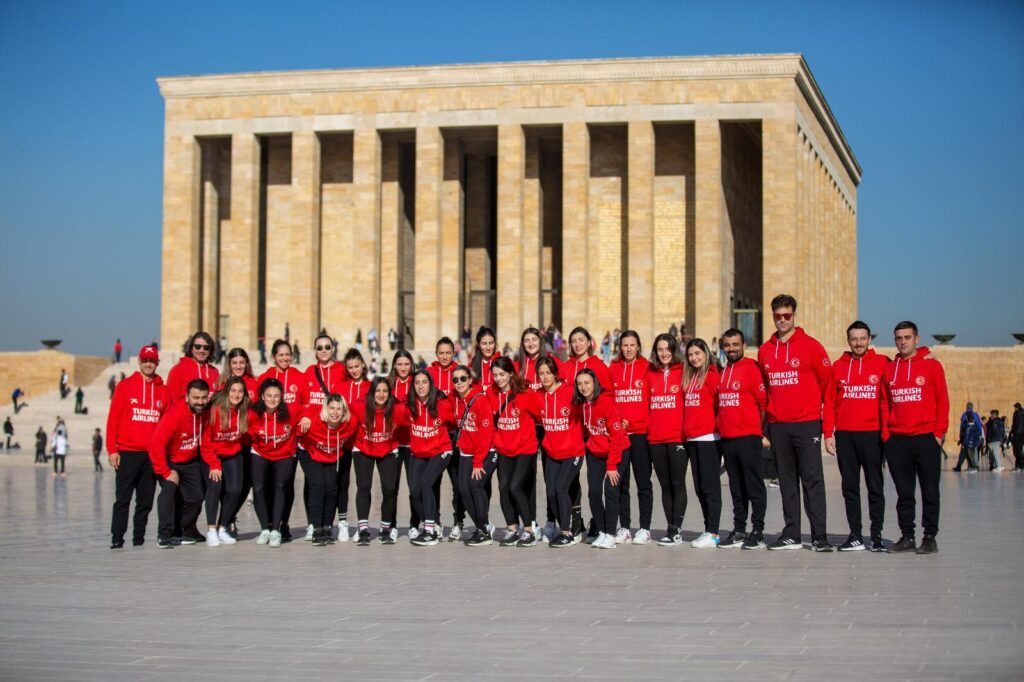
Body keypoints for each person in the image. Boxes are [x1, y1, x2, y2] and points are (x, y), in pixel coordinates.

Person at [758, 294, 835, 552]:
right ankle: (791, 533)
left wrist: (825, 426)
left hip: (806, 424)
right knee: (786, 481)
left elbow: (827, 385)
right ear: (773, 317)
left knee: (812, 479)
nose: (782, 320)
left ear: (794, 315)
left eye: (787, 315)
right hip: (778, 425)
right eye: (778, 316)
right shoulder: (765, 351)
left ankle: (819, 537)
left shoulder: (811, 346)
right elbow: (765, 389)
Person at [882, 321, 948, 555]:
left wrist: (938, 434)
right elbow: (884, 403)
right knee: (904, 493)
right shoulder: (890, 369)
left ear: (916, 339)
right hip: (898, 440)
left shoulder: (932, 366)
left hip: (926, 438)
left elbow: (942, 400)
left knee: (930, 491)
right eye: (899, 338)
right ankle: (907, 536)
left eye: (907, 337)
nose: (903, 342)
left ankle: (929, 537)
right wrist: (887, 435)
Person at [824, 321, 889, 552]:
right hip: (845, 435)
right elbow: (829, 401)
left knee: (875, 487)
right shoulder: (838, 366)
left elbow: (903, 367)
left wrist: (926, 354)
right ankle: (855, 535)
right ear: (848, 340)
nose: (858, 343)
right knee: (850, 487)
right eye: (854, 339)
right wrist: (828, 433)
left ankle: (876, 536)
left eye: (862, 338)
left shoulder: (883, 363)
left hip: (872, 435)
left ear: (869, 339)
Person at [715, 329, 769, 550]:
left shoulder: (751, 369)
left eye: (735, 344)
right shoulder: (723, 371)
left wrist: (757, 430)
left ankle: (758, 530)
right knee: (736, 487)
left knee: (753, 485)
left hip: (748, 437)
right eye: (727, 345)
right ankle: (739, 529)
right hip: (728, 438)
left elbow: (763, 404)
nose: (731, 349)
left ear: (744, 345)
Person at [256, 340, 309, 540]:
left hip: (289, 441)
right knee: (266, 483)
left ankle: (283, 523)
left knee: (284, 483)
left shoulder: (299, 377)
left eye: (288, 354)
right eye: (281, 355)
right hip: (267, 441)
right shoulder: (265, 377)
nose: (285, 358)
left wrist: (306, 417)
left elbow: (307, 403)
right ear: (273, 357)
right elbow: (256, 406)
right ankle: (269, 523)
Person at [149, 379, 209, 548]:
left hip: (189, 460)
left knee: (197, 497)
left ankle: (178, 531)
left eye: (203, 398)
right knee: (169, 490)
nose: (200, 402)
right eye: (196, 398)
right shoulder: (174, 416)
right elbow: (156, 444)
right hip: (169, 460)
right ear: (187, 398)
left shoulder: (205, 412)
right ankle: (164, 535)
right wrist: (166, 471)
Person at [490, 356, 542, 547]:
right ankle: (512, 529)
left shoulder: (525, 394)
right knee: (503, 488)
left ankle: (528, 531)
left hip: (525, 449)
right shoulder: (492, 395)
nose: (498, 378)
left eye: (502, 374)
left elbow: (540, 414)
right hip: (504, 448)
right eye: (495, 375)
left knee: (515, 486)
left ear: (511, 373)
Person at [576, 368, 630, 549]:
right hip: (595, 453)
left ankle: (611, 533)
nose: (583, 387)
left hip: (617, 451)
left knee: (610, 490)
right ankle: (601, 530)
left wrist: (612, 465)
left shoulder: (607, 403)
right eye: (580, 384)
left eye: (587, 383)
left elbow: (616, 436)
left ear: (595, 383)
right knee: (593, 492)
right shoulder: (582, 404)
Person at [350, 377, 407, 545]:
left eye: (385, 391)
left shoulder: (398, 409)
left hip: (388, 450)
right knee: (364, 486)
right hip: (363, 448)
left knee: (389, 489)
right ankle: (363, 529)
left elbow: (416, 418)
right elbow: (340, 414)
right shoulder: (358, 407)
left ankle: (385, 529)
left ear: (390, 394)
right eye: (378, 391)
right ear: (371, 393)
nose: (381, 394)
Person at [247, 378, 303, 548]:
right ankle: (265, 528)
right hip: (260, 451)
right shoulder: (253, 413)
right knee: (258, 487)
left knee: (280, 485)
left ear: (281, 397)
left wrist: (307, 418)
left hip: (285, 453)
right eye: (269, 395)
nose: (272, 399)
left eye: (276, 396)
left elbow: (309, 411)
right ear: (262, 397)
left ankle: (276, 530)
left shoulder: (291, 410)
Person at [535, 356, 584, 547]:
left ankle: (566, 533)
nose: (545, 377)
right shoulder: (538, 395)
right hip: (552, 452)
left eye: (548, 372)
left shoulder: (570, 391)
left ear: (555, 373)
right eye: (541, 373)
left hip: (573, 452)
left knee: (562, 488)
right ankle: (566, 526)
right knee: (551, 492)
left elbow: (590, 403)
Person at [610, 330, 652, 545]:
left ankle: (645, 528)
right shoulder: (614, 368)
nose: (628, 349)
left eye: (632, 345)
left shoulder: (647, 367)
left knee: (643, 482)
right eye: (625, 345)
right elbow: (610, 399)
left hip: (641, 435)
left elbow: (652, 399)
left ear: (638, 346)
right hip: (621, 436)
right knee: (622, 484)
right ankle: (625, 526)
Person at [298, 393, 357, 546]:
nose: (335, 412)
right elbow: (298, 427)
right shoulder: (314, 421)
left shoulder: (350, 423)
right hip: (310, 453)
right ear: (326, 408)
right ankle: (316, 528)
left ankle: (327, 527)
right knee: (318, 485)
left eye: (339, 409)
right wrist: (306, 416)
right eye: (332, 408)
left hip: (332, 455)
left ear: (344, 411)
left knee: (331, 489)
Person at [406, 370, 457, 546]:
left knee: (426, 482)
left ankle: (429, 532)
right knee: (414, 491)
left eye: (424, 382)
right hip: (419, 452)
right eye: (417, 383)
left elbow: (455, 422)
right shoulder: (408, 406)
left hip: (441, 450)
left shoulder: (442, 404)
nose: (420, 386)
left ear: (431, 384)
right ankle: (433, 524)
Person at [646, 333, 687, 546]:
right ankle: (670, 526)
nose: (664, 353)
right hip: (655, 438)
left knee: (677, 483)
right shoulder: (650, 373)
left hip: (677, 437)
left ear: (674, 350)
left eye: (668, 349)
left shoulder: (683, 371)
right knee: (664, 484)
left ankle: (676, 529)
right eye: (660, 349)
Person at [199, 376, 250, 547]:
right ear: (227, 391)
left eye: (240, 391)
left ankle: (222, 527)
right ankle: (211, 530)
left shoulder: (244, 411)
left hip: (233, 452)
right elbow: (205, 441)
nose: (236, 394)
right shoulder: (215, 410)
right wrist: (214, 464)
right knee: (215, 487)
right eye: (233, 390)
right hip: (213, 454)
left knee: (235, 490)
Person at [451, 364, 498, 547]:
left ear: (470, 380)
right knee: (463, 489)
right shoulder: (455, 399)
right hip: (466, 452)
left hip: (486, 451)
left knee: (475, 485)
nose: (459, 382)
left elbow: (485, 434)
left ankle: (483, 530)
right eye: (455, 379)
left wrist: (478, 461)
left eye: (463, 378)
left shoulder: (480, 400)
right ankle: (482, 526)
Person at [682, 338, 722, 548]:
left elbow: (720, 406)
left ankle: (713, 532)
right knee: (699, 488)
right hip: (693, 439)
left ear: (706, 354)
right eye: (690, 354)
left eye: (697, 353)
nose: (694, 358)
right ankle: (708, 528)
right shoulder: (691, 377)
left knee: (710, 487)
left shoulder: (712, 376)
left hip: (709, 439)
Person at [427, 337, 466, 539]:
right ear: (436, 354)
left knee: (458, 483)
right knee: (433, 481)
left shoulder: (459, 373)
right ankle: (435, 521)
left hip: (455, 435)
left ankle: (458, 521)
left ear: (453, 353)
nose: (444, 356)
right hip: (434, 436)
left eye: (448, 353)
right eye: (441, 353)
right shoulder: (429, 373)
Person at [166, 331, 220, 405]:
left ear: (210, 350)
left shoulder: (214, 372)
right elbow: (170, 400)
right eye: (197, 347)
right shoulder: (178, 370)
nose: (202, 350)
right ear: (191, 349)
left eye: (206, 348)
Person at [470, 326, 500, 391]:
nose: (488, 348)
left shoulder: (501, 362)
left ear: (495, 343)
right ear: (478, 344)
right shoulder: (472, 364)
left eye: (491, 343)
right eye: (484, 344)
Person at [955, 402, 984, 472]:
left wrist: (961, 437)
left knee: (964, 452)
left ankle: (968, 466)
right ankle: (973, 466)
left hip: (966, 437)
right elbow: (979, 426)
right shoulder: (976, 415)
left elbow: (962, 426)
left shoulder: (964, 415)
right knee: (973, 452)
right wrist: (979, 435)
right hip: (974, 438)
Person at [1011, 402, 1024, 471]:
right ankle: (1019, 465)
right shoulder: (1022, 412)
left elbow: (1015, 424)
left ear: (1016, 407)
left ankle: (1019, 465)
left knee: (1017, 451)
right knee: (1020, 450)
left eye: (1015, 407)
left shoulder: (1016, 413)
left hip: (1017, 434)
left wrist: (1013, 432)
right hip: (1022, 434)